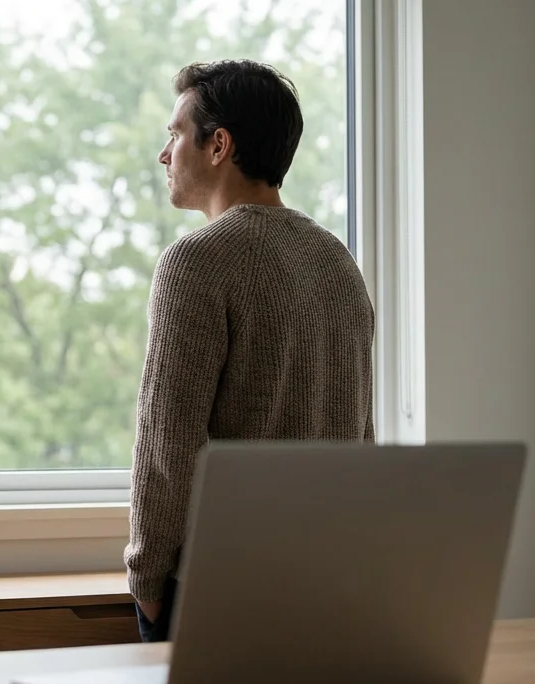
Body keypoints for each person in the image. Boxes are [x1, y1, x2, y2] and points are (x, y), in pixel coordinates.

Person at [127, 60, 375, 642]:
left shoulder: (197, 261)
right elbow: (361, 437)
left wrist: (147, 581)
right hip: (332, 583)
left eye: (175, 135)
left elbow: (168, 444)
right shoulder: (337, 261)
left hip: (223, 588)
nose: (165, 154)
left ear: (219, 145)